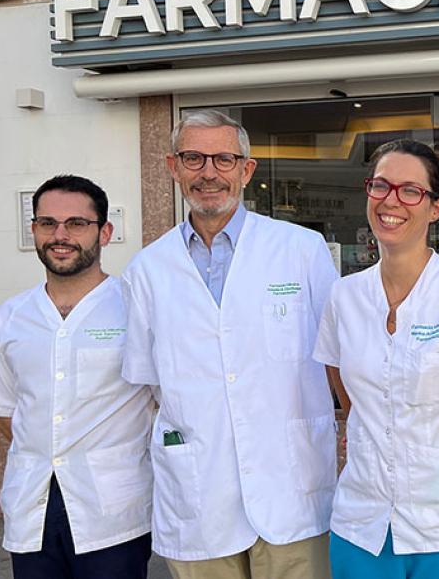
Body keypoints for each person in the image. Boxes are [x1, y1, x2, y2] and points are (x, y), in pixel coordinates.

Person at [120, 109, 340, 579]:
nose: (209, 173)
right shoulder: (147, 270)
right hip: (199, 493)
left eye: (224, 159)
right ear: (173, 167)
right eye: (194, 158)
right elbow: (145, 382)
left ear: (246, 169)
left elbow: (336, 360)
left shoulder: (302, 250)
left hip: (292, 488)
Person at [313, 138, 439, 579]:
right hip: (362, 526)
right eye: (381, 186)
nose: (392, 201)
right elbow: (349, 397)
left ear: (435, 207)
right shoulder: (343, 297)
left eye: (410, 191)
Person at [0, 175, 153, 579]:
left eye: (76, 223)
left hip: (112, 513)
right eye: (47, 223)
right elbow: (2, 408)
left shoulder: (136, 311)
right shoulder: (12, 318)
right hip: (32, 508)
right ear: (33, 229)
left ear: (104, 232)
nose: (60, 235)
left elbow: (161, 401)